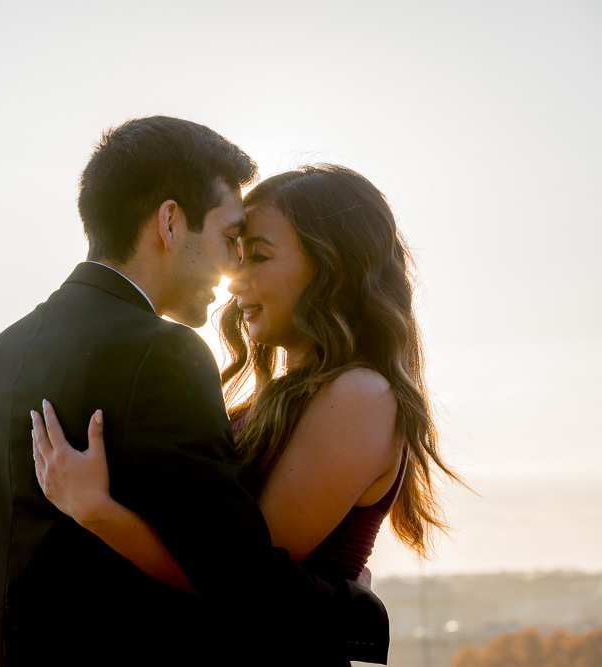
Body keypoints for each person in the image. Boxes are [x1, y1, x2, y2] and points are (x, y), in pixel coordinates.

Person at [0, 119, 388, 666]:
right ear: (170, 223)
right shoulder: (163, 354)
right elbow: (235, 576)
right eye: (229, 242)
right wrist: (356, 610)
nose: (231, 273)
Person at [32, 164, 461, 664]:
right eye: (236, 254)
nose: (235, 279)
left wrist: (98, 512)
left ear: (332, 266)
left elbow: (241, 580)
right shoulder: (277, 398)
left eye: (257, 255)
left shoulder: (360, 394)